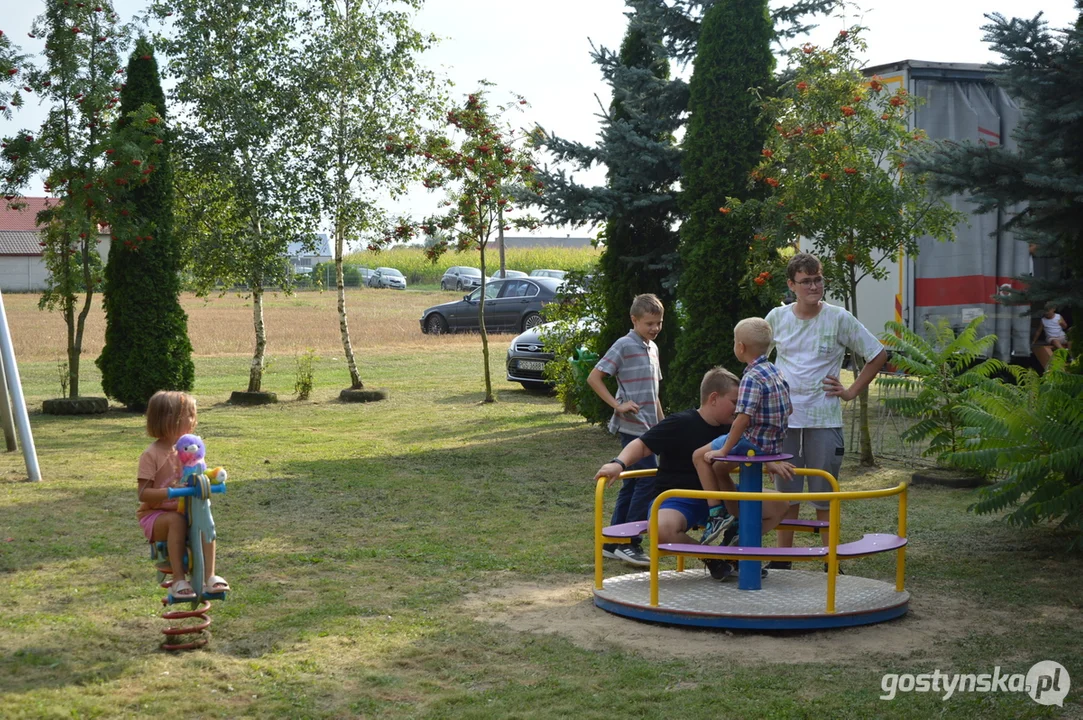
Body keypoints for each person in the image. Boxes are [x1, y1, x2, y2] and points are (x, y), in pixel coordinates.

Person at [594, 368, 793, 580]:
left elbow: (753, 447)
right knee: (661, 529)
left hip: (723, 495)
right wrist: (618, 463)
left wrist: (770, 461)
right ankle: (714, 559)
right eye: (735, 402)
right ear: (714, 398)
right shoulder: (681, 422)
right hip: (678, 498)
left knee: (780, 505)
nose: (740, 409)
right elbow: (642, 445)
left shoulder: (736, 429)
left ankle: (735, 550)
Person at [765, 253, 887, 567]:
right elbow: (757, 359)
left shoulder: (838, 318)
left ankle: (830, 559)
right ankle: (783, 560)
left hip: (824, 417)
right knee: (787, 493)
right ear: (791, 285)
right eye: (805, 281)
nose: (814, 286)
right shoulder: (776, 318)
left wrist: (850, 392)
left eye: (818, 279)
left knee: (824, 493)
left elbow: (878, 354)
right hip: (785, 420)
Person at [694, 318, 792, 545]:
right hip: (771, 444)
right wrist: (770, 453)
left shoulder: (751, 377)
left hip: (751, 442)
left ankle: (717, 514)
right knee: (719, 469)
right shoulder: (776, 372)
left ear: (740, 347)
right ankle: (736, 518)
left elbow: (742, 420)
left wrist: (725, 449)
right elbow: (789, 409)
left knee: (699, 456)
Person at [587, 293, 665, 567]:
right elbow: (594, 377)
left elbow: (654, 394)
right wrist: (617, 405)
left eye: (659, 323)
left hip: (650, 428)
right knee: (648, 480)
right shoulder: (624, 345)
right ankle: (630, 542)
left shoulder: (652, 348)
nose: (655, 328)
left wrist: (664, 428)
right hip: (633, 429)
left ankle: (614, 541)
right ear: (634, 320)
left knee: (632, 482)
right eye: (649, 324)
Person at [137, 390, 229, 600]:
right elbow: (143, 494)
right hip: (156, 515)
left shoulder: (189, 449)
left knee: (206, 520)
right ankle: (179, 579)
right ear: (170, 418)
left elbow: (198, 473)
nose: (193, 419)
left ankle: (210, 576)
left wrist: (211, 479)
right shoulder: (152, 455)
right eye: (189, 414)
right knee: (177, 522)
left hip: (186, 509)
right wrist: (172, 492)